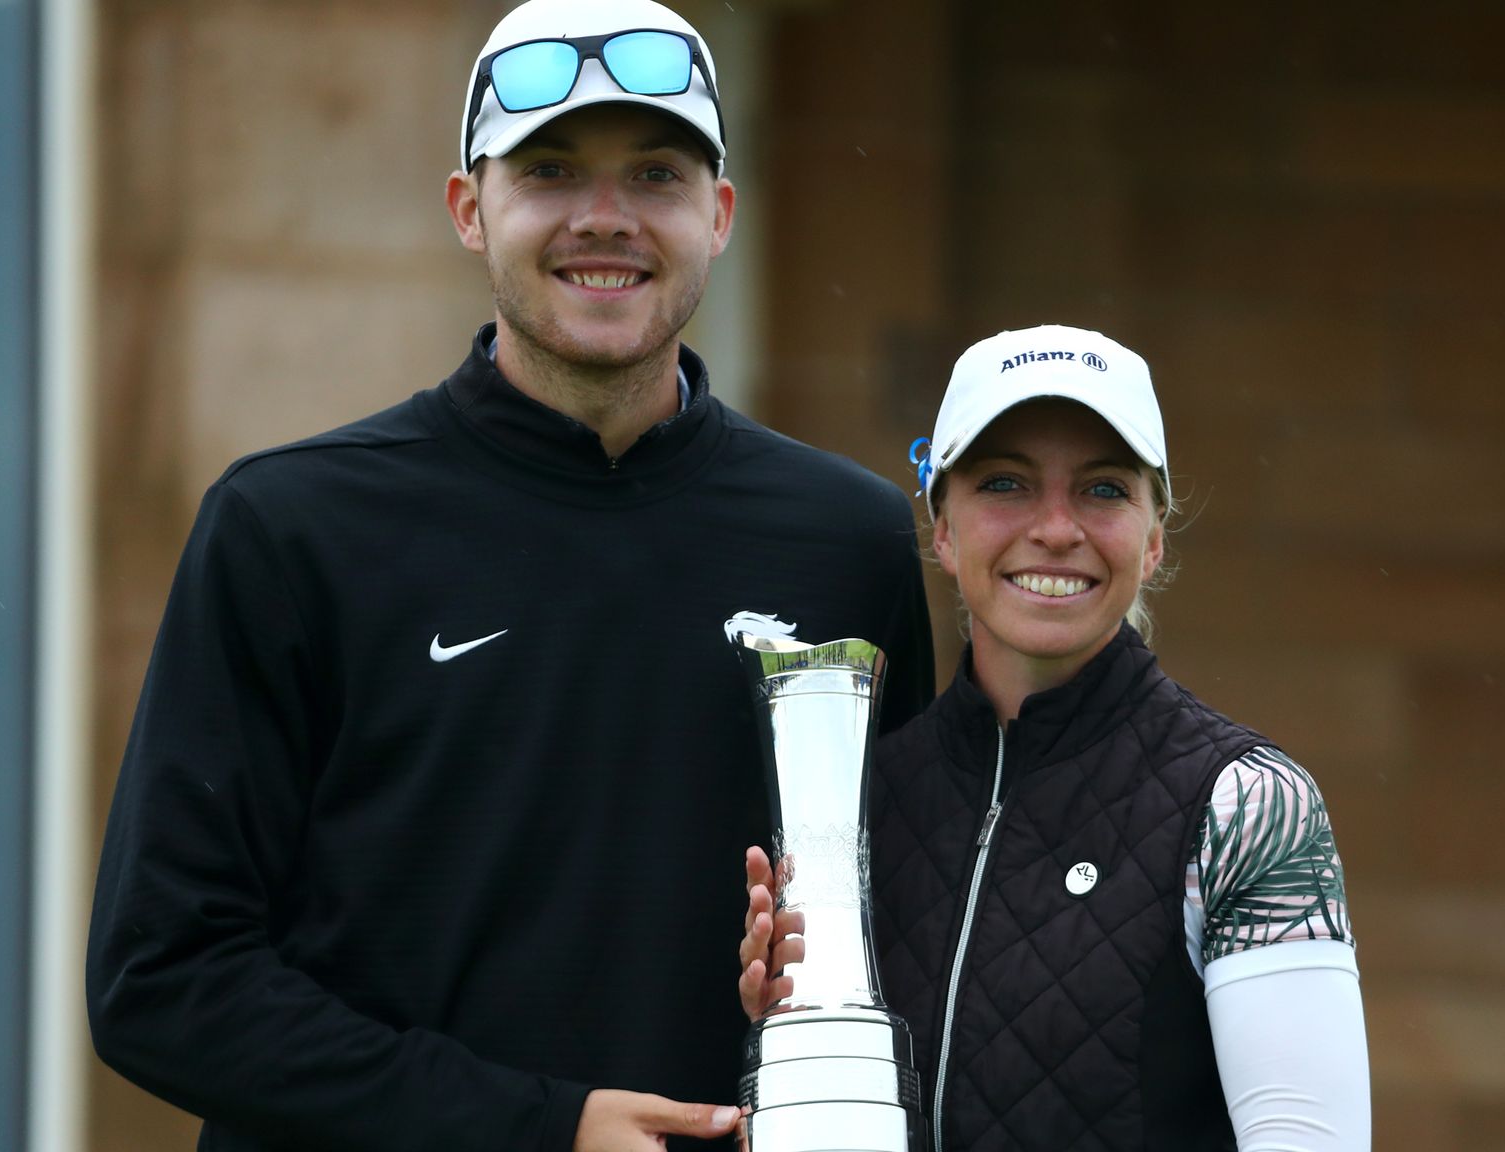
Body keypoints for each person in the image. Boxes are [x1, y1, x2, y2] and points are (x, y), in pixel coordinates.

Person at [85, 1, 934, 1148]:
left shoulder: (846, 540)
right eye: (548, 172)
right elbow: (163, 981)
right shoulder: (290, 528)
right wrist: (539, 1127)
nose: (603, 218)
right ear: (467, 210)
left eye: (654, 174)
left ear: (719, 214)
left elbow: (913, 946)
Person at [739, 325, 1369, 1151]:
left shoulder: (1248, 805)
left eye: (1104, 491)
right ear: (944, 530)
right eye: (1005, 483)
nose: (1057, 528)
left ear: (1153, 539)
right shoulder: (856, 805)